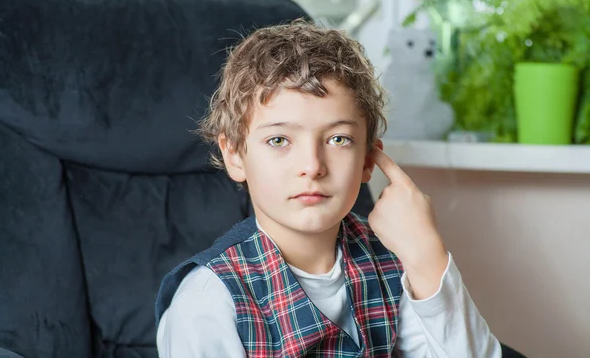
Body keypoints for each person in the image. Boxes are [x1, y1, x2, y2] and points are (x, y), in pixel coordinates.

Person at [154, 19, 501, 357]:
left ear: (368, 159)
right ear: (235, 155)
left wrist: (426, 252)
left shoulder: (397, 262)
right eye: (278, 140)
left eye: (338, 139)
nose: (312, 166)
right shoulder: (207, 301)